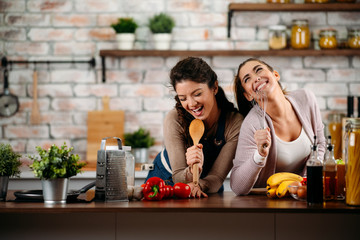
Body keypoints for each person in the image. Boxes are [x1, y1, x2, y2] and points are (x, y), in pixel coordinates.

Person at [146, 57, 243, 198]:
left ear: (214, 87)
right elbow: (178, 175)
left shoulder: (234, 123)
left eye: (197, 94)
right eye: (183, 98)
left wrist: (198, 185)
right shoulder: (174, 119)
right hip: (162, 182)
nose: (191, 104)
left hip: (207, 187)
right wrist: (192, 171)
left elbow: (216, 178)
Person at [230, 58, 326, 196]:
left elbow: (320, 144)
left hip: (302, 195)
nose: (256, 78)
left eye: (259, 70)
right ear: (248, 95)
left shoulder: (306, 99)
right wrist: (259, 155)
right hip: (267, 201)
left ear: (275, 75)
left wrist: (305, 182)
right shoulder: (252, 124)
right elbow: (237, 186)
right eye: (247, 79)